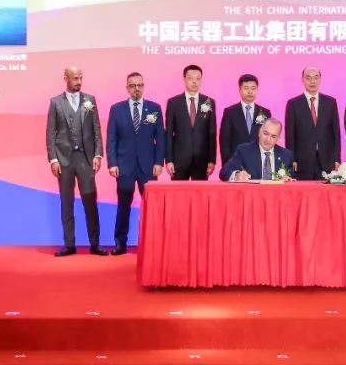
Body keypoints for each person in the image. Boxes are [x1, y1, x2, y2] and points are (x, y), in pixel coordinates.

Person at [45, 66, 104, 257]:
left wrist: (98, 155)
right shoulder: (55, 102)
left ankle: (95, 244)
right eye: (75, 78)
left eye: (80, 78)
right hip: (64, 160)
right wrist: (53, 159)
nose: (79, 82)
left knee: (90, 202)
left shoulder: (90, 100)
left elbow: (96, 129)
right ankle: (69, 245)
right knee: (66, 202)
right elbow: (50, 133)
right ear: (66, 79)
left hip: (85, 159)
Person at [106, 72, 164, 255]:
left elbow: (160, 138)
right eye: (132, 86)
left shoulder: (154, 108)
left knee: (152, 208)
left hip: (148, 166)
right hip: (124, 165)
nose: (136, 89)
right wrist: (112, 163)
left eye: (139, 85)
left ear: (143, 86)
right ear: (127, 88)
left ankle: (152, 244)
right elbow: (111, 139)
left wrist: (159, 162)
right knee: (123, 206)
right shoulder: (117, 109)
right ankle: (120, 244)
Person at [285, 66, 341, 180]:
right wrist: (292, 159)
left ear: (320, 79)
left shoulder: (330, 102)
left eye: (315, 77)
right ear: (302, 79)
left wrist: (337, 158)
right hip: (302, 161)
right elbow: (290, 135)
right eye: (308, 78)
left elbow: (336, 133)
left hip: (327, 160)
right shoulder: (293, 104)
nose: (312, 81)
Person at [165, 64, 217, 180]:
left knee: (200, 192)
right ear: (184, 79)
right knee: (178, 191)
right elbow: (168, 133)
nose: (194, 82)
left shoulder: (209, 102)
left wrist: (212, 160)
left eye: (198, 78)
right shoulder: (173, 103)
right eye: (190, 78)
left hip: (202, 160)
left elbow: (212, 133)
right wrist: (169, 160)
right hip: (179, 160)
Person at [220, 118, 295, 182]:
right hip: (251, 194)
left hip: (277, 194)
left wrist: (288, 179)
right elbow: (224, 172)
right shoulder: (244, 151)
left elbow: (292, 178)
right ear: (259, 132)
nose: (268, 139)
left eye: (273, 136)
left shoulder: (286, 155)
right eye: (265, 133)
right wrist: (237, 175)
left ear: (278, 138)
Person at [220, 74, 271, 165]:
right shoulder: (230, 112)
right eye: (246, 88)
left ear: (257, 90)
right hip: (236, 160)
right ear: (240, 90)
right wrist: (227, 165)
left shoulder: (265, 113)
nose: (250, 91)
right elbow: (225, 141)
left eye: (253, 88)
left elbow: (269, 139)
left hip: (259, 161)